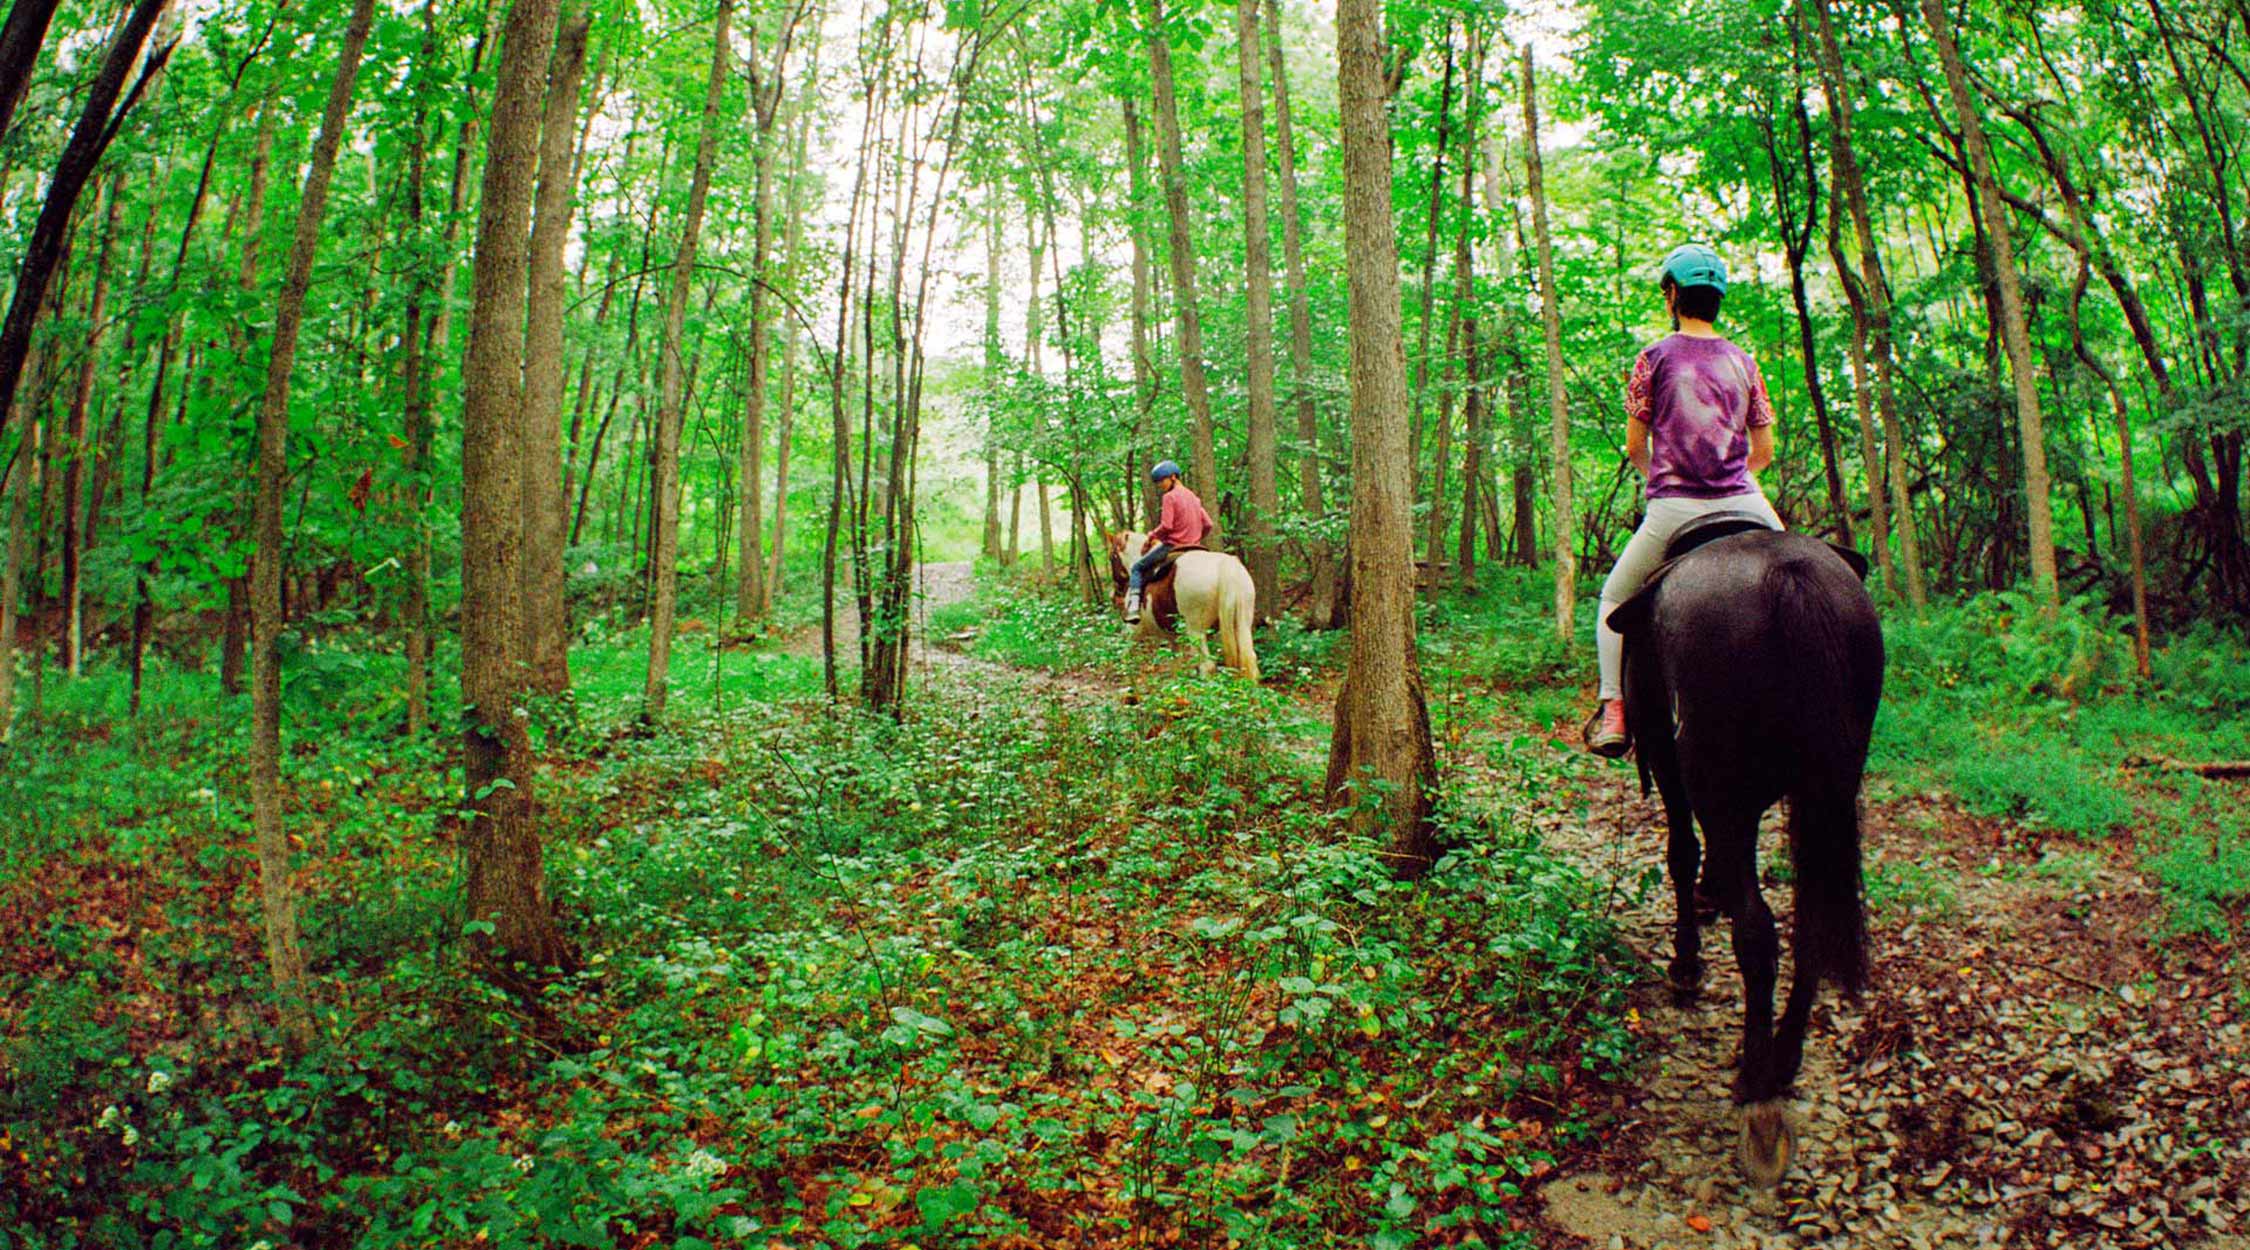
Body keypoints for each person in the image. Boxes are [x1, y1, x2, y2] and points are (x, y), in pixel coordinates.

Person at [1586, 243, 1783, 757]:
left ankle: (1613, 709)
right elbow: (1763, 451)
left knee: (1612, 599)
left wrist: (1667, 477)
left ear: (1672, 294)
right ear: (1718, 299)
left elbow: (1635, 445)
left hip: (1675, 509)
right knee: (1797, 575)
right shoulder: (1746, 362)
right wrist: (1729, 474)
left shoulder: (1651, 359)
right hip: (1746, 503)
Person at [1125, 460, 1213, 623]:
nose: (1160, 485)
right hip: (1195, 546)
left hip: (1174, 545)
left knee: (1137, 568)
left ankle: (1133, 607)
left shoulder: (1170, 497)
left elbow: (1166, 525)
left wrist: (1152, 535)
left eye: (1162, 481)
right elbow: (1208, 524)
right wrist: (1197, 536)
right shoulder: (1194, 498)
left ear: (1173, 477)